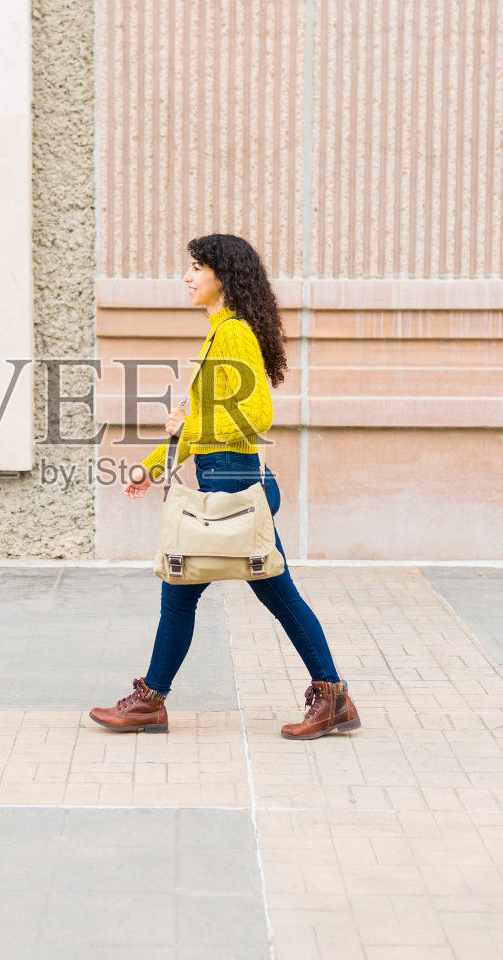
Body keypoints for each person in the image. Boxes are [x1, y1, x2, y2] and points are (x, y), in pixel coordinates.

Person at [89, 233, 358, 740]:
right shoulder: (220, 332)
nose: (186, 277)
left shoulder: (233, 333)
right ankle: (153, 700)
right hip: (223, 480)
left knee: (263, 596)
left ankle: (329, 696)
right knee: (192, 593)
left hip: (235, 485)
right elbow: (206, 421)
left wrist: (189, 426)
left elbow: (256, 414)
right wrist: (153, 465)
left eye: (195, 267)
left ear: (222, 275)